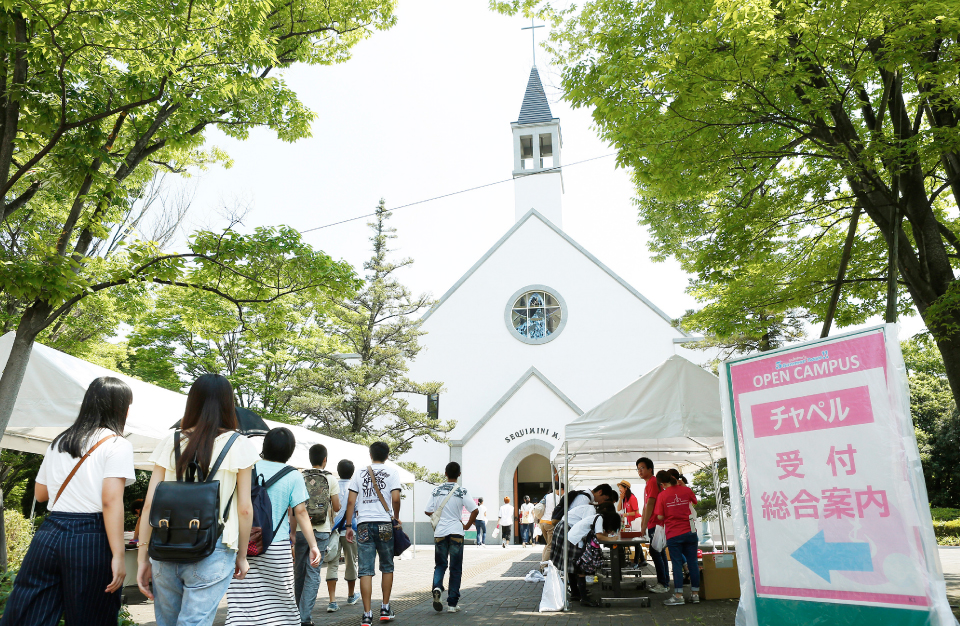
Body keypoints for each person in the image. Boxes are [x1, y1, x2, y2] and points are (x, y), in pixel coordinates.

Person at [0, 377, 135, 626]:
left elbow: (41, 494)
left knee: (30, 614)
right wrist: (118, 555)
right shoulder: (117, 444)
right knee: (93, 616)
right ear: (119, 407)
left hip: (50, 533)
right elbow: (111, 501)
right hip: (90, 536)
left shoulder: (60, 441)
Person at [137, 374, 260, 626]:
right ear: (228, 403)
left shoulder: (170, 442)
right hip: (214, 546)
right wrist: (242, 556)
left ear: (192, 402)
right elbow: (245, 509)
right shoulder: (239, 445)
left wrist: (142, 557)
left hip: (165, 546)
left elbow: (150, 504)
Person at [226, 428, 322, 626]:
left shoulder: (247, 467)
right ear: (290, 451)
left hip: (242, 543)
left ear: (265, 446)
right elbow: (301, 513)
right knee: (282, 602)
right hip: (276, 546)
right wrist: (313, 545)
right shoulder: (293, 475)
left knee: (242, 601)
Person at [344, 441, 402, 625]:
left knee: (365, 570)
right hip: (385, 523)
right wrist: (396, 517)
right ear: (387, 455)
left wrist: (348, 526)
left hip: (364, 525)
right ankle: (385, 608)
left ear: (370, 455)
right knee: (387, 566)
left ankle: (367, 614)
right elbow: (396, 498)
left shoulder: (359, 472)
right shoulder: (392, 472)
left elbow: (351, 502)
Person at [548, 484, 618, 602]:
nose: (602, 502)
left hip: (569, 530)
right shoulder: (587, 503)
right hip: (569, 530)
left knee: (573, 563)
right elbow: (589, 530)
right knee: (575, 563)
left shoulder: (590, 506)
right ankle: (577, 593)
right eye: (605, 499)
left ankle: (577, 593)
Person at [295, 444, 340, 626]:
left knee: (299, 572)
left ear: (309, 458)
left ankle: (295, 615)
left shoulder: (299, 477)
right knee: (313, 573)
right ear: (325, 460)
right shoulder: (330, 479)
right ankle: (304, 618)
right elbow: (337, 507)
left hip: (299, 530)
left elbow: (293, 508)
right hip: (321, 530)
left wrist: (292, 531)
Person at [425, 462, 478, 613]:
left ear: (445, 473)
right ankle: (452, 604)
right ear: (459, 474)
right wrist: (466, 526)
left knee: (440, 565)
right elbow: (475, 510)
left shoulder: (436, 491)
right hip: (456, 532)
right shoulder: (462, 491)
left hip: (440, 532)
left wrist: (439, 515)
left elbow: (427, 510)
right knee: (455, 568)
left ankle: (437, 587)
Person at [655, 471, 700, 606]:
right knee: (693, 563)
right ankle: (695, 594)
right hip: (690, 531)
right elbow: (695, 502)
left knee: (676, 564)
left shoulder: (662, 495)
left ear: (662, 484)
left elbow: (660, 517)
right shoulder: (686, 490)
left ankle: (679, 595)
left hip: (674, 533)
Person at [325, 459, 361, 612]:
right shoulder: (355, 487)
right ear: (352, 472)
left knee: (332, 563)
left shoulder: (331, 485)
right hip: (350, 530)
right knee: (351, 562)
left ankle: (332, 601)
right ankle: (351, 595)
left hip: (332, 530)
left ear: (338, 471)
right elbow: (357, 510)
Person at [566, 509, 621, 607]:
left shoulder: (598, 517)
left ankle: (576, 594)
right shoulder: (599, 518)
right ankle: (584, 598)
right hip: (576, 541)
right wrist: (612, 538)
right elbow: (599, 536)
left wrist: (608, 536)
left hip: (572, 539)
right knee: (581, 569)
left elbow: (600, 534)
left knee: (576, 568)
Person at [637, 457, 669, 593]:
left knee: (656, 552)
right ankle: (664, 582)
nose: (639, 471)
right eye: (638, 469)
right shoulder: (649, 483)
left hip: (656, 522)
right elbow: (645, 506)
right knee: (658, 552)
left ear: (650, 469)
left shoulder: (652, 482)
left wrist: (643, 525)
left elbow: (650, 503)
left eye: (642, 468)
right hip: (654, 522)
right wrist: (644, 523)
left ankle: (663, 583)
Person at [617, 480, 643, 567]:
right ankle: (642, 560)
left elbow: (636, 512)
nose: (620, 490)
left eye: (621, 488)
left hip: (636, 522)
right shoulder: (625, 499)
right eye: (619, 488)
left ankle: (636, 562)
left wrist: (626, 514)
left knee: (637, 542)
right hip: (630, 523)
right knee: (636, 541)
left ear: (626, 488)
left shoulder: (632, 498)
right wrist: (621, 498)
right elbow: (618, 509)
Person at [539, 484, 562, 562]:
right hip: (550, 523)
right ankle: (544, 565)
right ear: (560, 489)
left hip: (542, 522)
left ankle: (543, 562)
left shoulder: (546, 496)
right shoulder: (558, 498)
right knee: (550, 546)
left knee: (547, 544)